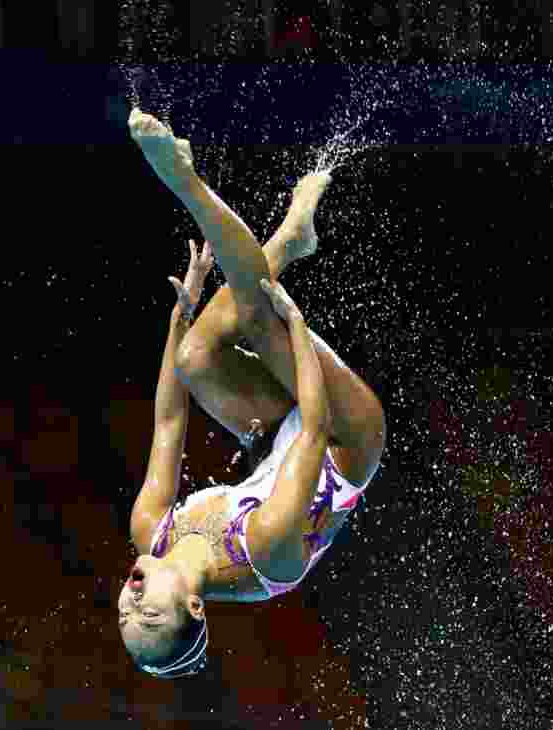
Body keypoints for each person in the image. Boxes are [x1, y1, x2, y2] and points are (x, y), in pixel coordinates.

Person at [119, 109, 387, 678]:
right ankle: (187, 183)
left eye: (124, 621)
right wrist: (289, 324)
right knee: (254, 311)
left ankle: (289, 239)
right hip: (343, 441)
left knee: (195, 356)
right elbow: (314, 427)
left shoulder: (150, 529)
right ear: (194, 608)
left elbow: (169, 422)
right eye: (151, 620)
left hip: (274, 445)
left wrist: (178, 319)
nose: (131, 607)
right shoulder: (263, 552)